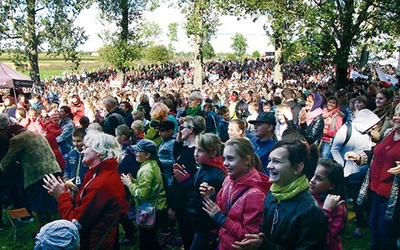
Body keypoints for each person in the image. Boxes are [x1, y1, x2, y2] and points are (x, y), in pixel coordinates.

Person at [232, 139, 328, 249]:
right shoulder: (272, 195)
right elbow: (265, 230)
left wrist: (264, 246)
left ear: (297, 168)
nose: (269, 166)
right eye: (269, 160)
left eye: (276, 161)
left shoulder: (311, 211)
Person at [43, 131, 129, 249]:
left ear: (100, 152)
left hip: (94, 243)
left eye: (86, 147)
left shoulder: (101, 183)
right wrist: (67, 195)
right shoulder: (99, 174)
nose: (82, 151)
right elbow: (84, 207)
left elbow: (76, 223)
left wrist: (61, 197)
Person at [346, 104, 400, 250]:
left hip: (393, 197)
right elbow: (375, 152)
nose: (396, 117)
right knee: (374, 227)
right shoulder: (388, 132)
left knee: (386, 233)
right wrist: (359, 156)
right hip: (375, 190)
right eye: (396, 113)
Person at [200, 138, 271, 249]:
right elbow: (224, 210)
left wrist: (221, 219)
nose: (225, 163)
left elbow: (248, 236)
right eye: (224, 158)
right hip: (222, 243)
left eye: (231, 159)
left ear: (247, 160)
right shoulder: (229, 179)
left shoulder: (255, 195)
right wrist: (211, 196)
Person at [0, 125, 62, 231]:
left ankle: (41, 232)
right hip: (54, 170)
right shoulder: (39, 134)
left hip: (36, 175)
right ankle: (58, 228)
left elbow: (6, 162)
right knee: (53, 203)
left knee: (36, 206)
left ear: (12, 135)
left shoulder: (17, 139)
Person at [331, 109, 380, 238]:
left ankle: (359, 226)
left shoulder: (367, 133)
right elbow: (334, 149)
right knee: (342, 200)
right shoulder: (346, 129)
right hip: (345, 173)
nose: (374, 127)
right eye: (373, 124)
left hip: (361, 173)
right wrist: (341, 165)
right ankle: (339, 225)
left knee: (360, 200)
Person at [173, 133, 227, 250]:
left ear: (212, 153)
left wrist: (187, 184)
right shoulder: (206, 166)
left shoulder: (214, 176)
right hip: (200, 224)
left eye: (200, 151)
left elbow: (201, 206)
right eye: (195, 149)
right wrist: (187, 177)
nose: (195, 154)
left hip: (206, 227)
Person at [120, 139, 167, 250]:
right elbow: (149, 186)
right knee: (151, 239)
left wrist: (129, 184)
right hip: (158, 208)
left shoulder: (146, 170)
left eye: (138, 151)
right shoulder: (152, 164)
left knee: (146, 241)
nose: (135, 153)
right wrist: (135, 181)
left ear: (147, 155)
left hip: (150, 210)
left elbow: (142, 195)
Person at [170, 116, 206, 250]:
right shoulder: (189, 149)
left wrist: (174, 206)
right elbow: (176, 156)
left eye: (182, 128)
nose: (179, 131)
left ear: (191, 130)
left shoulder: (194, 153)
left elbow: (183, 184)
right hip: (185, 203)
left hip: (186, 205)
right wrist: (178, 140)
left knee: (188, 235)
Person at [309, 158, 347, 250]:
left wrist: (327, 211)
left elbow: (323, 238)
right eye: (313, 175)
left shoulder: (337, 208)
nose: (312, 180)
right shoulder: (310, 197)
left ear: (331, 185)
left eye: (319, 179)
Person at [115, 124, 138, 246]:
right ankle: (130, 230)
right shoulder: (125, 149)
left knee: (121, 208)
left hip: (125, 181)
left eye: (116, 135)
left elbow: (122, 167)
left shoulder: (127, 151)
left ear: (123, 137)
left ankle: (130, 232)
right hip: (124, 181)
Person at [63, 128, 88, 194]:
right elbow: (67, 169)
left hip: (85, 187)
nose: (75, 144)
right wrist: (66, 179)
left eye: (79, 141)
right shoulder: (71, 154)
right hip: (72, 187)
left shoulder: (88, 154)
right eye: (74, 141)